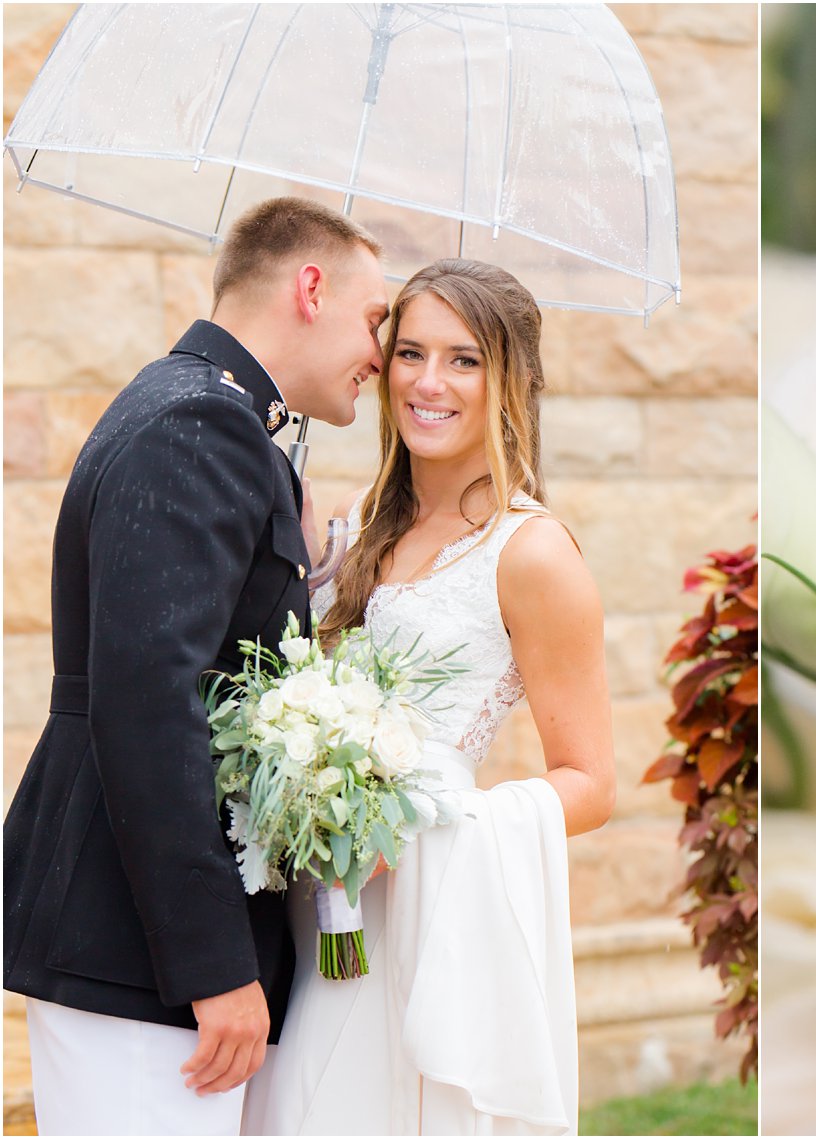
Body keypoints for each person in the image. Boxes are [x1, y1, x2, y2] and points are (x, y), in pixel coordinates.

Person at [2, 197, 390, 1135]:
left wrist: (303, 564)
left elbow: (198, 650)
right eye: (376, 319)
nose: (379, 352)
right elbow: (152, 707)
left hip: (131, 941)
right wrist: (216, 965)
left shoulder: (200, 410)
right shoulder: (201, 429)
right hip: (141, 953)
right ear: (310, 287)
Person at [241, 259, 617, 1135]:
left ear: (511, 381)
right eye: (410, 352)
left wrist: (420, 826)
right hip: (317, 893)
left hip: (422, 900)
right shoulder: (366, 517)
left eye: (464, 359)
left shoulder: (533, 552)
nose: (428, 382)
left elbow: (592, 783)